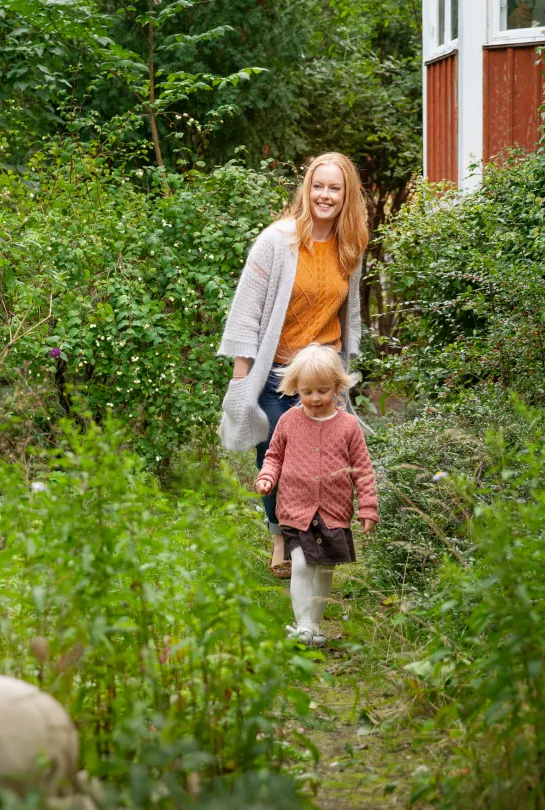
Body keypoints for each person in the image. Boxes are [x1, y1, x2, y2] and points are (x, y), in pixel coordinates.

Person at [217, 152, 370, 579]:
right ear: (307, 190)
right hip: (278, 373)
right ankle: (281, 537)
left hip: (323, 373)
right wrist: (242, 377)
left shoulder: (349, 245)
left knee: (322, 461)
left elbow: (349, 312)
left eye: (334, 188)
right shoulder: (277, 241)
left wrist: (345, 366)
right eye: (317, 186)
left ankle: (319, 537)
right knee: (276, 458)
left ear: (346, 196)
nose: (325, 195)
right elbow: (246, 312)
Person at [253, 345, 378, 647]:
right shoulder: (288, 421)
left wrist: (368, 507)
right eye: (306, 392)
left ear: (338, 386)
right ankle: (304, 624)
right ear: (296, 389)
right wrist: (267, 475)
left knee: (323, 567)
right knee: (300, 563)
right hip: (295, 508)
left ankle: (315, 625)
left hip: (334, 511)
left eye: (323, 390)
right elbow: (274, 455)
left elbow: (362, 468)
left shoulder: (348, 426)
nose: (315, 398)